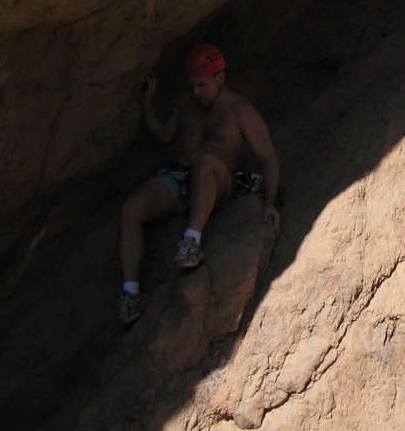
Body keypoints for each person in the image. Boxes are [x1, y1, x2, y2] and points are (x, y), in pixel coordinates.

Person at [116, 44, 281, 326]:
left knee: (204, 161)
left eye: (201, 85)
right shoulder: (186, 104)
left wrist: (270, 204)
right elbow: (165, 135)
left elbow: (268, 156)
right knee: (131, 209)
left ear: (220, 78)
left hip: (218, 179)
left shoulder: (239, 110)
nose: (195, 92)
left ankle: (191, 242)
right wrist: (147, 104)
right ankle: (130, 294)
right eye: (192, 85)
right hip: (181, 177)